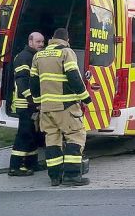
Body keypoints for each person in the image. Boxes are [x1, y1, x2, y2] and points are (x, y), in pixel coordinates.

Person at [30, 28, 92, 186]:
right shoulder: (66, 52)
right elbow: (74, 77)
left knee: (52, 140)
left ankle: (55, 177)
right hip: (66, 106)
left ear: (52, 38)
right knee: (76, 136)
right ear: (67, 40)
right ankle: (72, 176)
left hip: (46, 108)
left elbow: (34, 83)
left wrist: (38, 102)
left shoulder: (39, 55)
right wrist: (85, 98)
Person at [8, 32, 45, 176]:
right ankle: (15, 167)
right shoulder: (24, 57)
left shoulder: (34, 57)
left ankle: (31, 163)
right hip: (25, 104)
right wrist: (32, 100)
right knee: (24, 135)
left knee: (33, 135)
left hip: (32, 103)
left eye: (42, 42)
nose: (41, 45)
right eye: (38, 42)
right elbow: (22, 81)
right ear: (30, 42)